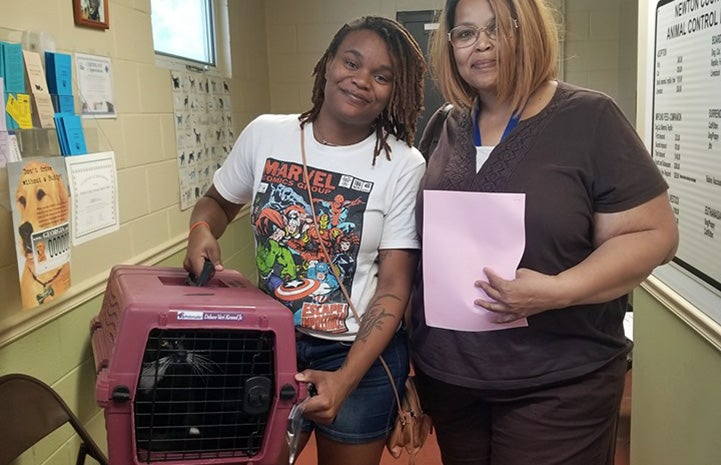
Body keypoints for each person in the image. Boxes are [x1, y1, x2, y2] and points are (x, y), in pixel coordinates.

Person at [409, 1, 679, 465]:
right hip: (452, 383)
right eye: (465, 33)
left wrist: (557, 290)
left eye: (498, 28)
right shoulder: (443, 127)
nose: (483, 44)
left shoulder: (589, 118)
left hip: (557, 382)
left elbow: (655, 234)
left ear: (528, 30)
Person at [184, 16, 426, 465]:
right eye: (351, 62)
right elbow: (216, 202)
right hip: (270, 345)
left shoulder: (403, 163)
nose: (361, 81)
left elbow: (394, 286)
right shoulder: (266, 134)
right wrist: (201, 231)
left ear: (396, 90)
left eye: (381, 76)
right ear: (328, 63)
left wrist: (347, 378)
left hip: (360, 357)